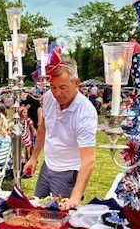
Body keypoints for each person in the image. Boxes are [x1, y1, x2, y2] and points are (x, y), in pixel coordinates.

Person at [23, 55, 97, 210]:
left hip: (68, 172)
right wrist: (34, 157)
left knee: (59, 216)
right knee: (36, 210)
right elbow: (43, 127)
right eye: (53, 87)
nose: (57, 93)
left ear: (76, 83)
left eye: (63, 87)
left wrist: (75, 197)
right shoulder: (49, 98)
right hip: (48, 165)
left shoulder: (86, 112)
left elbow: (89, 160)